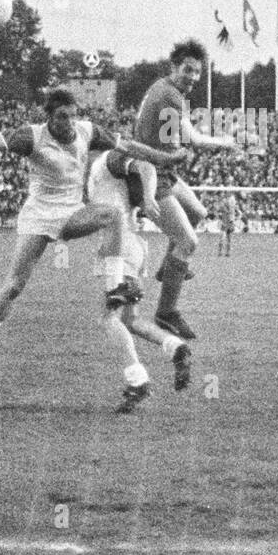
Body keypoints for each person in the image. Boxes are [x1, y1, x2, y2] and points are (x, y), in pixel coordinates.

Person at [0, 87, 188, 381]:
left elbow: (129, 147)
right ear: (49, 117)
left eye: (73, 116)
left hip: (70, 213)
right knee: (14, 286)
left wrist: (163, 159)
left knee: (112, 215)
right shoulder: (32, 136)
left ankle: (116, 287)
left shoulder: (87, 131)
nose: (69, 123)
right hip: (38, 217)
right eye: (62, 117)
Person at [133, 40, 241, 342]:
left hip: (163, 168)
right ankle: (165, 313)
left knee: (198, 212)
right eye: (188, 70)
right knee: (188, 242)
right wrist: (226, 143)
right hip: (151, 174)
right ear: (174, 67)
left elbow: (179, 137)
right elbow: (190, 140)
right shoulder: (170, 95)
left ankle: (168, 269)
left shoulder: (166, 88)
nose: (193, 76)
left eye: (197, 72)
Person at [87, 149, 193, 413]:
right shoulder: (97, 175)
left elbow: (146, 167)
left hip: (118, 248)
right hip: (134, 246)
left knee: (107, 318)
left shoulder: (106, 160)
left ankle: (138, 381)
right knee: (130, 320)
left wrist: (147, 197)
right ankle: (175, 346)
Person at [216, 192, 241, 257]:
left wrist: (235, 219)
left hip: (230, 224)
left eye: (231, 200)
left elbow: (240, 214)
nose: (230, 201)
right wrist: (220, 217)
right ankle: (220, 252)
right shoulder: (223, 207)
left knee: (228, 239)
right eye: (229, 200)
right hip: (224, 224)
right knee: (222, 238)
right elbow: (217, 211)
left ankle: (227, 252)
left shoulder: (234, 207)